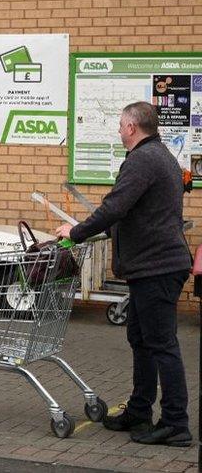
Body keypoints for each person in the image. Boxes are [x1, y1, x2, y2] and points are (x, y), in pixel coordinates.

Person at [55, 101, 191, 447]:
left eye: (120, 125)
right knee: (142, 340)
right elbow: (132, 212)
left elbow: (115, 206)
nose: (118, 130)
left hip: (157, 267)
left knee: (162, 345)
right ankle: (140, 410)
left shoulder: (144, 160)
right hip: (153, 266)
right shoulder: (159, 156)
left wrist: (76, 232)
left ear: (132, 127)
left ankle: (176, 423)